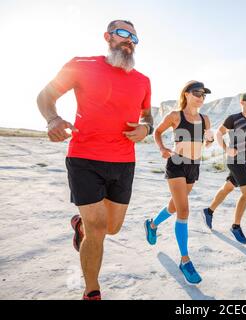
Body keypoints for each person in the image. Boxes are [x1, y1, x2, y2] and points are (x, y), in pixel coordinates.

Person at [36, 20, 153, 300]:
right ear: (108, 37)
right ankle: (91, 291)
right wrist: (52, 118)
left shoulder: (143, 80)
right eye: (123, 34)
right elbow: (45, 95)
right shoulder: (82, 64)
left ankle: (79, 225)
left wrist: (146, 127)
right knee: (98, 229)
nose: (130, 41)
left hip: (124, 162)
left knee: (112, 228)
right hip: (84, 158)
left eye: (134, 37)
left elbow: (148, 115)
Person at [144, 81, 214, 285]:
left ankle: (152, 224)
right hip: (176, 164)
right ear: (186, 94)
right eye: (197, 93)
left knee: (174, 206)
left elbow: (207, 144)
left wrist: (209, 142)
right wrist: (162, 148)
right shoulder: (175, 116)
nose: (201, 97)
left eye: (203, 94)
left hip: (194, 166)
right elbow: (157, 132)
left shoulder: (205, 119)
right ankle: (185, 260)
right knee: (184, 211)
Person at [202, 92, 246, 244]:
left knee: (228, 188)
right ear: (242, 102)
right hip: (234, 160)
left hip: (244, 161)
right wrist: (226, 148)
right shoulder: (233, 118)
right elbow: (219, 133)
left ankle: (208, 211)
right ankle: (235, 226)